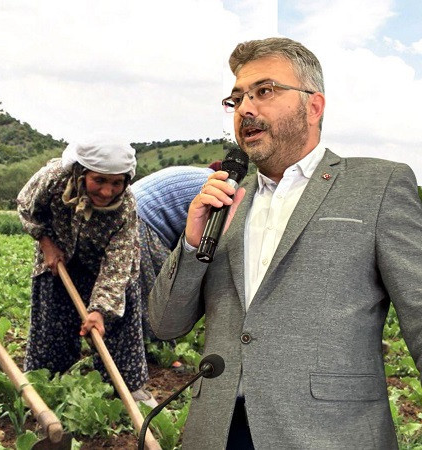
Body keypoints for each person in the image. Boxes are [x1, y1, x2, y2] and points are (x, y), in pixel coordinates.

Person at [148, 37, 422, 449]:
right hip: (219, 431)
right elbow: (165, 323)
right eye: (236, 99)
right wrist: (190, 246)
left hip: (327, 433)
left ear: (314, 106)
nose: (246, 109)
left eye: (265, 91)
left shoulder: (378, 185)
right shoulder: (225, 201)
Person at [17, 140, 156, 407]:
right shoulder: (54, 179)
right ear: (82, 173)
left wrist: (99, 311)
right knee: (52, 317)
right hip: (56, 250)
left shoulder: (125, 207)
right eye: (99, 180)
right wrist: (46, 244)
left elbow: (117, 263)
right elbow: (26, 206)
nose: (107, 191)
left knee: (119, 322)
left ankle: (127, 386)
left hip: (104, 262)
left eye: (116, 183)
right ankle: (46, 381)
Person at [131, 164, 215, 339]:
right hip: (143, 221)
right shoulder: (216, 192)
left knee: (136, 290)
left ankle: (143, 343)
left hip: (132, 210)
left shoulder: (202, 176)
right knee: (163, 289)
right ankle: (159, 347)